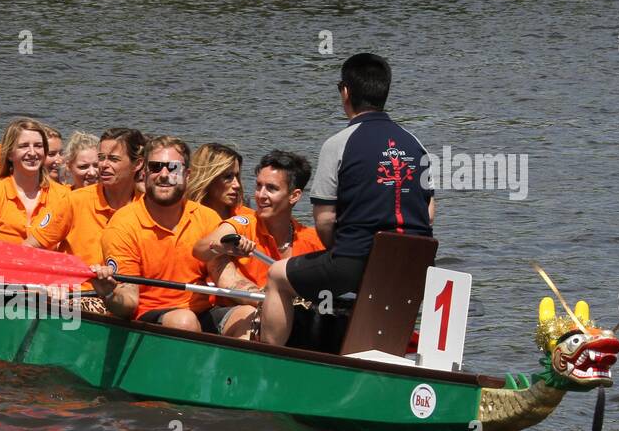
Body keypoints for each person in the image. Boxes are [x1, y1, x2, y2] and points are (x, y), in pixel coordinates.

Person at [256, 53, 436, 346]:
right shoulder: (416, 142)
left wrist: (338, 254)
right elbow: (428, 212)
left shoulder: (338, 143)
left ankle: (267, 364)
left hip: (357, 260)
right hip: (417, 264)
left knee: (277, 276)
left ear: (346, 92)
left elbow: (324, 219)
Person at [92, 136, 225, 333]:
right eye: (155, 167)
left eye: (173, 168)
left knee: (247, 315)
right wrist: (110, 295)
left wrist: (260, 295)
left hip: (201, 311)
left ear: (187, 175)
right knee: (184, 320)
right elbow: (128, 302)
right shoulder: (123, 224)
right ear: (144, 173)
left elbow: (226, 276)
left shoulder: (207, 217)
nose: (164, 174)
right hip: (146, 316)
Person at [193, 151, 326, 339]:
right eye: (258, 186)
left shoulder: (312, 239)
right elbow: (201, 249)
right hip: (235, 316)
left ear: (294, 196)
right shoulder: (242, 224)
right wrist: (225, 247)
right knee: (253, 317)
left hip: (291, 322)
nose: (260, 196)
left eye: (271, 188)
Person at [0, 118, 70, 288]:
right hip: (1, 284)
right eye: (24, 146)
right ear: (10, 153)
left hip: (48, 286)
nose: (32, 153)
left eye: (38, 146)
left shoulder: (64, 196)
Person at [26, 127, 144, 267]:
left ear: (137, 164)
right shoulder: (74, 201)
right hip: (80, 287)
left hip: (132, 286)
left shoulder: (148, 206)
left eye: (113, 159)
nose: (103, 165)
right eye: (101, 157)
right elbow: (28, 248)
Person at [186, 143, 246, 219]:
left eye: (237, 176)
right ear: (208, 178)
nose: (237, 185)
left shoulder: (248, 218)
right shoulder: (183, 217)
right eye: (227, 177)